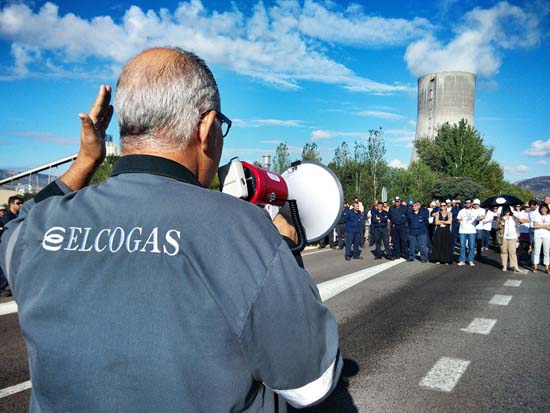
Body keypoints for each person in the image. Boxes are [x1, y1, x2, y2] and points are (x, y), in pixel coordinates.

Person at [0, 48, 341, 412]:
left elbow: (18, 226)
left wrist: (85, 161)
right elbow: (311, 382)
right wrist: (286, 250)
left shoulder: (36, 227)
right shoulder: (241, 227)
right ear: (207, 128)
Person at [0, 195, 23, 297]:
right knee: (4, 268)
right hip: (5, 245)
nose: (20, 205)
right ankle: (1, 289)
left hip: (15, 245)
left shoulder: (18, 216)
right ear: (12, 204)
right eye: (18, 203)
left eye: (21, 203)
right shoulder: (7, 217)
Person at [457, 198, 483, 266]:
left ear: (472, 203)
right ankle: (462, 260)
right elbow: (458, 220)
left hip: (472, 231)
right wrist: (463, 224)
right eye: (466, 203)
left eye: (469, 203)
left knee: (471, 246)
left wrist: (480, 218)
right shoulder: (461, 211)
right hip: (462, 230)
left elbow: (478, 220)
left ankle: (471, 260)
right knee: (462, 246)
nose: (467, 204)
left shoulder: (475, 211)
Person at [496, 206, 522, 273]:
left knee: (512, 252)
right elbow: (496, 227)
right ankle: (504, 265)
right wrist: (501, 225)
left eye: (508, 211)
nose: (507, 213)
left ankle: (515, 266)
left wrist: (517, 235)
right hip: (503, 237)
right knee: (504, 252)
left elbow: (518, 226)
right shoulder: (500, 218)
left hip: (512, 236)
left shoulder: (514, 218)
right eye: (505, 211)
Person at [532, 202, 550, 273]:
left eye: (545, 208)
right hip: (538, 235)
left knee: (546, 251)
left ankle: (547, 267)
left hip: (547, 236)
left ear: (547, 209)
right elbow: (535, 226)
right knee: (537, 251)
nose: (543, 210)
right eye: (542, 208)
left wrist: (540, 225)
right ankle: (535, 266)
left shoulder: (549, 216)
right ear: (540, 209)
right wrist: (546, 226)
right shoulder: (537, 216)